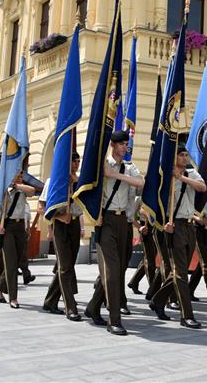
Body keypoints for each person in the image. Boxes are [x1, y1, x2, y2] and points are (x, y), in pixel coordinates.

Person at [84, 130, 144, 336]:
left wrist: (117, 176)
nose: (125, 147)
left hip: (124, 222)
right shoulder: (102, 164)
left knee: (117, 270)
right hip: (106, 219)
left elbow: (141, 183)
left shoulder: (129, 167)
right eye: (121, 144)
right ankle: (114, 319)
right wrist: (108, 174)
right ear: (112, 144)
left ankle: (93, 307)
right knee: (111, 269)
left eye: (126, 144)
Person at [148, 146, 207, 328]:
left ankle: (157, 300)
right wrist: (164, 223)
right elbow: (155, 202)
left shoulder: (191, 173)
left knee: (178, 271)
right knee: (181, 274)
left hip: (190, 226)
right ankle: (186, 315)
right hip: (174, 226)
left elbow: (202, 187)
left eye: (184, 155)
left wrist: (181, 177)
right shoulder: (165, 176)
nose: (183, 157)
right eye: (180, 155)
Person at [42, 151, 86, 320]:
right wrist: (60, 216)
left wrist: (76, 182)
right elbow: (43, 209)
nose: (76, 164)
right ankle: (71, 307)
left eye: (78, 161)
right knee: (65, 266)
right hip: (60, 224)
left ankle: (50, 301)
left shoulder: (80, 181)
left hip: (74, 224)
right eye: (73, 161)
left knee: (67, 265)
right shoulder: (53, 181)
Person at [0, 170, 36, 309]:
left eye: (21, 175)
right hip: (7, 227)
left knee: (19, 259)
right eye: (18, 175)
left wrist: (17, 186)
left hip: (20, 227)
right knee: (11, 262)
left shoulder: (22, 190)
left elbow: (32, 191)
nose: (21, 177)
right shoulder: (2, 192)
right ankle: (13, 297)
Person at [188, 199, 207, 304]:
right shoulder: (198, 195)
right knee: (206, 265)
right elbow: (190, 211)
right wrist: (199, 219)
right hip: (200, 230)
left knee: (203, 264)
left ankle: (189, 289)